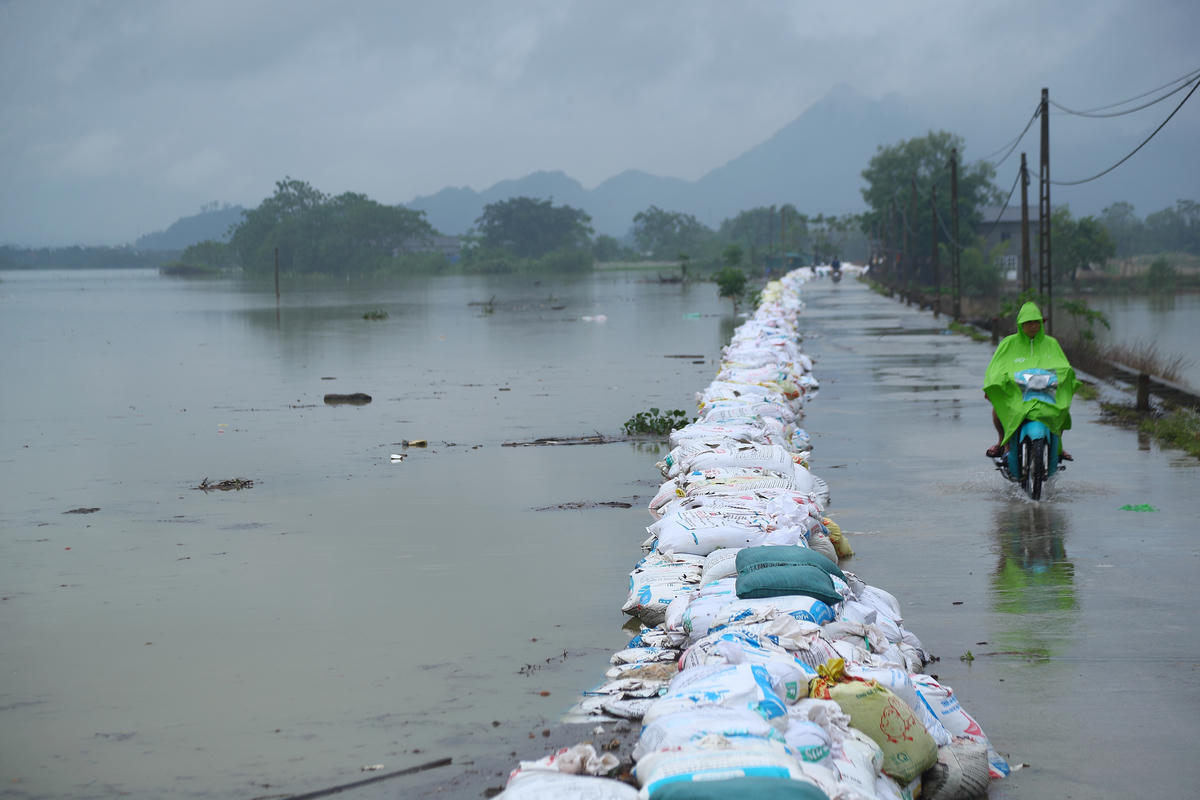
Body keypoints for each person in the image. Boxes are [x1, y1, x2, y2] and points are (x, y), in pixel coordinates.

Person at [983, 302, 1076, 460]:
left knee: (1062, 409)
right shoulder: (1008, 343)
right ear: (1021, 324)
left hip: (1045, 390)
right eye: (1028, 323)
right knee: (999, 409)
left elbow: (1063, 365)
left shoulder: (1051, 344)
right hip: (1016, 390)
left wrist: (1066, 375)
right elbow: (996, 366)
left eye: (1036, 322)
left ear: (1041, 323)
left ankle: (1058, 445)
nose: (1033, 326)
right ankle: (1002, 442)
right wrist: (997, 381)